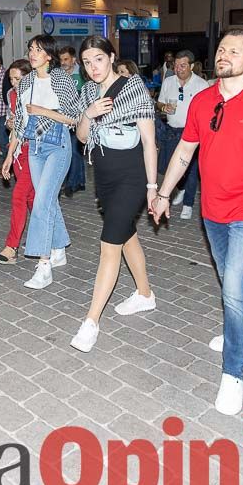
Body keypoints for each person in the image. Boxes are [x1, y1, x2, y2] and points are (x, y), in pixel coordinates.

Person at [151, 30, 243, 415]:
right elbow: (184, 150)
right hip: (212, 211)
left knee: (233, 288)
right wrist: (163, 193)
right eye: (220, 49)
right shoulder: (203, 100)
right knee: (233, 280)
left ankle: (234, 374)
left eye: (234, 50)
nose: (224, 54)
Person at [69, 36, 159, 352]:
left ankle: (91, 322)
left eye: (98, 59)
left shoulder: (134, 89)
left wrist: (152, 188)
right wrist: (89, 114)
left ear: (111, 57)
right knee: (126, 235)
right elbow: (81, 137)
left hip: (132, 177)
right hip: (104, 177)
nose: (93, 67)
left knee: (109, 245)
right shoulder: (87, 92)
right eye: (87, 62)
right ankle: (145, 294)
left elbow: (149, 142)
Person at [4, 35, 79, 287]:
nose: (32, 53)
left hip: (57, 145)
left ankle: (44, 265)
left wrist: (44, 111)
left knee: (41, 203)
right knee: (47, 201)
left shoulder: (61, 79)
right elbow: (21, 121)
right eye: (30, 49)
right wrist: (10, 153)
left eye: (38, 50)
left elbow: (75, 118)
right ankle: (59, 249)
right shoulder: (26, 83)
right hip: (33, 148)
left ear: (49, 55)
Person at [155, 51, 210, 220]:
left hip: (192, 133)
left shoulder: (201, 84)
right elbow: (160, 102)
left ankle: (188, 203)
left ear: (192, 66)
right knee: (173, 166)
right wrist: (163, 108)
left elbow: (208, 111)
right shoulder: (169, 81)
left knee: (192, 170)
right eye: (176, 65)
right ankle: (182, 187)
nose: (178, 69)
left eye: (183, 65)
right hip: (172, 131)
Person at [0, 59, 35, 265]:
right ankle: (47, 239)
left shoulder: (37, 94)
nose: (14, 82)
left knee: (19, 196)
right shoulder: (11, 95)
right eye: (11, 78)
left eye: (18, 78)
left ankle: (12, 247)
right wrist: (10, 124)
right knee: (31, 199)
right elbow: (12, 125)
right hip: (17, 149)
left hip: (34, 150)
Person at [59, 46, 87, 198]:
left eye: (66, 59)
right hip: (63, 119)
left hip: (78, 120)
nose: (63, 62)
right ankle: (80, 181)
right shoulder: (60, 75)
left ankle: (72, 184)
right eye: (61, 59)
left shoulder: (81, 74)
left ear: (73, 59)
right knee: (75, 152)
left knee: (74, 152)